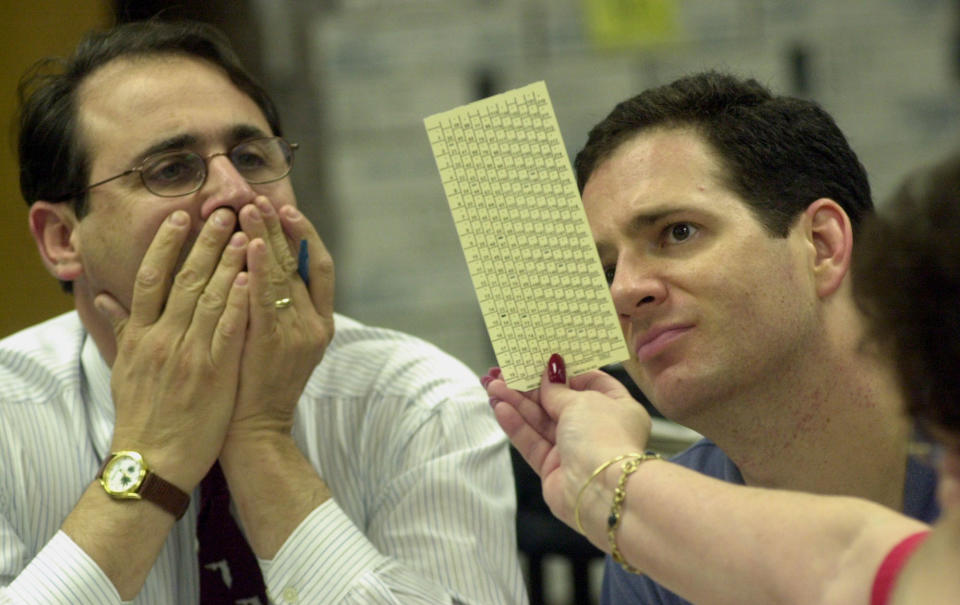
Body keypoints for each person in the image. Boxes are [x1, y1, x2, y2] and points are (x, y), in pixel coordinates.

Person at [0, 19, 526, 605]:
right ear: (62, 240)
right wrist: (154, 457)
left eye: (251, 157)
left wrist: (259, 439)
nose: (235, 191)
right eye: (172, 169)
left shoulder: (419, 401)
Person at [484, 71, 939, 604]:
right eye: (606, 271)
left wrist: (614, 487)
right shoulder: (649, 548)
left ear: (821, 244)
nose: (623, 291)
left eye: (677, 232)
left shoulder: (636, 509)